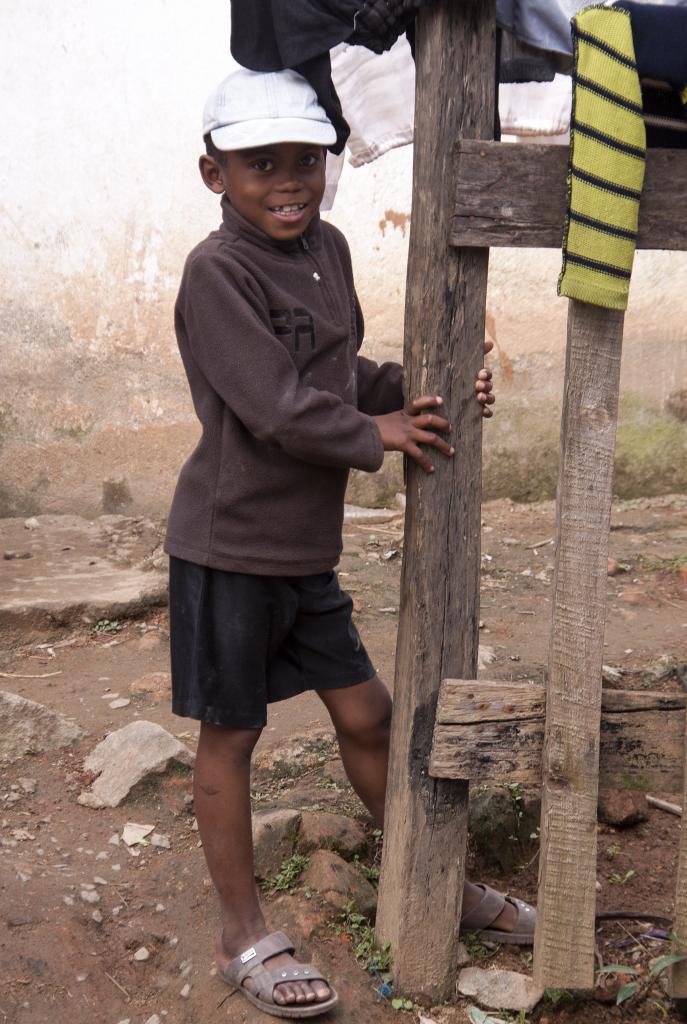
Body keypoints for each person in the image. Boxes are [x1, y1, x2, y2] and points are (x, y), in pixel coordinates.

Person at [164, 65, 532, 1020]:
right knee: (232, 735)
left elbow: (333, 372)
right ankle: (242, 930)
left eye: (306, 161)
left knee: (367, 714)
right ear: (215, 175)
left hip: (301, 554)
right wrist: (381, 435)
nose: (288, 181)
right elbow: (277, 406)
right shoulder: (218, 273)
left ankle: (434, 882)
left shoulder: (323, 246)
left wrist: (420, 387)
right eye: (260, 165)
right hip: (230, 547)